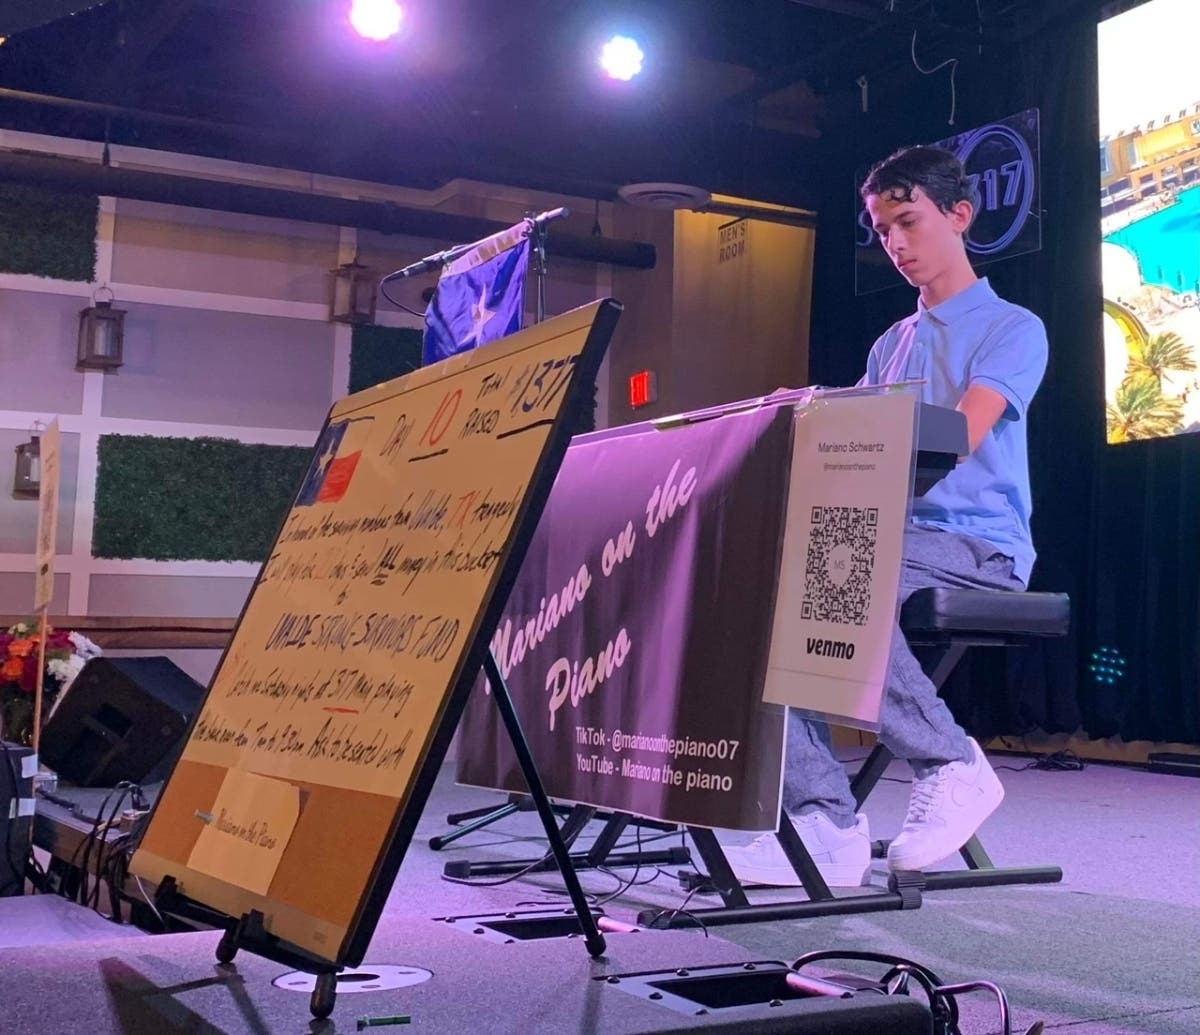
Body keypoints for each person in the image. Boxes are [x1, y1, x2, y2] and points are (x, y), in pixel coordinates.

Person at [724, 145, 1049, 887]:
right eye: (881, 229)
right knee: (771, 587)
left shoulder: (1012, 327)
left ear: (960, 215)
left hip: (977, 546)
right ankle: (823, 822)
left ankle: (950, 760)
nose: (894, 244)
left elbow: (962, 434)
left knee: (834, 574)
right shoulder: (889, 344)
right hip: (890, 539)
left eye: (908, 221)